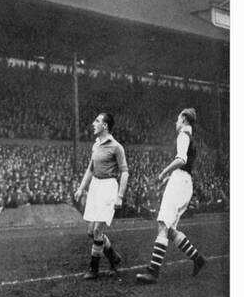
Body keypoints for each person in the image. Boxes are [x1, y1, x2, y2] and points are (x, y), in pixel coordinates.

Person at [136, 109, 205, 284]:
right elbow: (185, 165)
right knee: (170, 229)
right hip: (184, 182)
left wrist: (162, 173)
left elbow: (181, 160)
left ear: (183, 119)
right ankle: (198, 258)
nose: (176, 123)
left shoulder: (183, 135)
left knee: (162, 225)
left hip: (179, 182)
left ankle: (153, 272)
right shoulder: (191, 138)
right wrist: (168, 177)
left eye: (177, 119)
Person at [74, 113, 129, 280]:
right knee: (91, 232)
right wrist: (81, 188)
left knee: (98, 229)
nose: (93, 123)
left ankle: (94, 269)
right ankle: (113, 257)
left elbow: (125, 172)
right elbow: (90, 169)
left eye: (97, 121)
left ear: (105, 126)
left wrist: (120, 196)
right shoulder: (95, 145)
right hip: (95, 187)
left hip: (109, 187)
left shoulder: (116, 147)